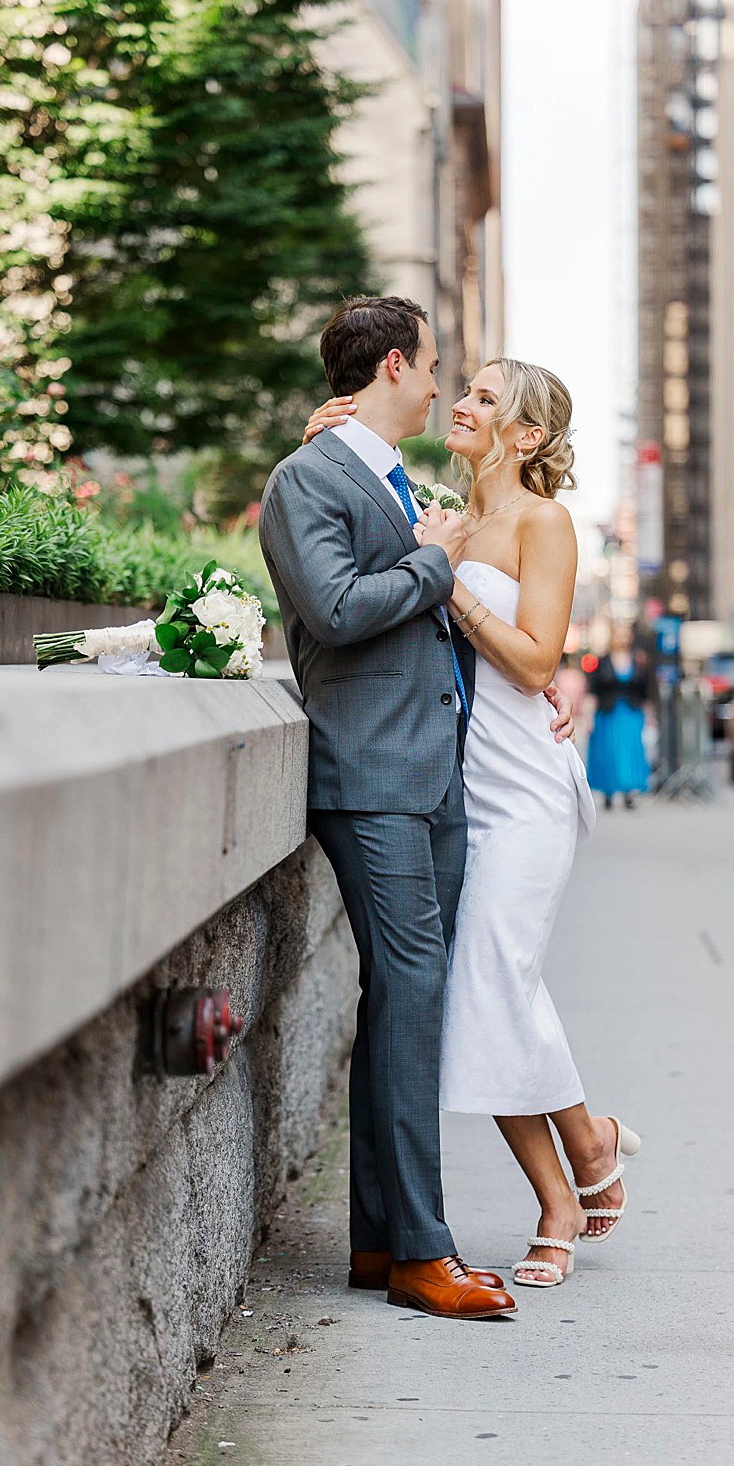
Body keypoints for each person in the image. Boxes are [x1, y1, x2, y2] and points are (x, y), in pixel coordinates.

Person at [302, 359, 641, 1292]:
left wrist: (444, 578)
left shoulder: (543, 521)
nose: (462, 403)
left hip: (524, 787)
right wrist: (322, 441)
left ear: (527, 436)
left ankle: (563, 1196)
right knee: (484, 989)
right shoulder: (438, 509)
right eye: (467, 390)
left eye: (487, 399)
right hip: (452, 780)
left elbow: (536, 665)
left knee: (492, 976)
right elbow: (354, 553)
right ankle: (587, 1142)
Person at [260, 296, 515, 1319]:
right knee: (411, 998)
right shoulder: (304, 480)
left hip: (428, 770)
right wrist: (435, 559)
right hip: (367, 778)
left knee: (408, 1006)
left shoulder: (381, 472)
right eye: (434, 367)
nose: (441, 385)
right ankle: (421, 1251)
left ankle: (379, 1243)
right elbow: (335, 609)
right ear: (396, 365)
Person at [585, 645, 655, 809]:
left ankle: (629, 791)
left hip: (631, 713)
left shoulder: (637, 661)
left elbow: (645, 691)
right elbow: (594, 690)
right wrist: (589, 716)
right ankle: (608, 790)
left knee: (630, 752)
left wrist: (650, 714)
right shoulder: (603, 662)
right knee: (608, 752)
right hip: (608, 714)